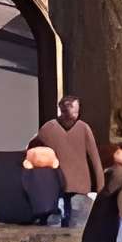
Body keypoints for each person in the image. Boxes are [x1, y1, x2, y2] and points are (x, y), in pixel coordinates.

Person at [35, 95, 104, 234]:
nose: (73, 115)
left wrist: (101, 184)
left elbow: (94, 157)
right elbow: (34, 151)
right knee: (55, 223)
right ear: (61, 110)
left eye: (76, 111)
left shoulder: (83, 128)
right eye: (69, 111)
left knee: (76, 225)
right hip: (55, 183)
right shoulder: (48, 128)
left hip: (79, 185)